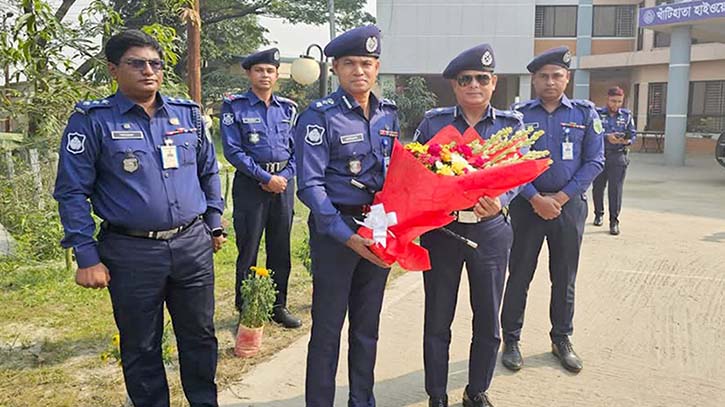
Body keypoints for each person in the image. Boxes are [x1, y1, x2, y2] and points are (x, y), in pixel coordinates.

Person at [53, 30, 225, 407]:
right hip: (130, 251)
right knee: (141, 343)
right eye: (137, 63)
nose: (149, 71)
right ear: (114, 70)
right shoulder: (92, 121)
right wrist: (86, 256)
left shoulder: (187, 115)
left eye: (156, 64)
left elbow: (209, 171)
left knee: (200, 337)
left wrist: (214, 220)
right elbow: (71, 191)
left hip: (191, 245)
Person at [294, 24, 399, 407]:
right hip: (336, 232)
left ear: (377, 67)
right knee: (327, 328)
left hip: (379, 229)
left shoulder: (389, 114)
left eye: (368, 63)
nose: (360, 71)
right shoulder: (319, 116)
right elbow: (310, 185)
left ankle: (362, 400)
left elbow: (396, 174)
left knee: (367, 327)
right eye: (351, 63)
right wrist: (345, 234)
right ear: (336, 68)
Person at [413, 44, 522, 407]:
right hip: (443, 232)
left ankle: (476, 390)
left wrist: (502, 201)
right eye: (465, 79)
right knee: (438, 318)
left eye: (482, 78)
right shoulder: (433, 122)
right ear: (454, 86)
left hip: (490, 232)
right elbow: (414, 171)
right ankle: (436, 394)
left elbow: (521, 175)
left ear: (494, 83)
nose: (474, 84)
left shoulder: (512, 125)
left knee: (488, 319)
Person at [500, 46, 604, 374]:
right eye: (543, 76)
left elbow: (594, 161)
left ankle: (561, 339)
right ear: (533, 80)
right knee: (519, 275)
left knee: (564, 277)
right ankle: (511, 339)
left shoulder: (585, 114)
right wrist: (534, 198)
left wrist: (559, 198)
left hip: (568, 208)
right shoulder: (518, 115)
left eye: (557, 75)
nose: (550, 81)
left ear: (567, 78)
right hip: (526, 207)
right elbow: (509, 161)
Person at [220, 48, 301, 328]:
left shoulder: (288, 108)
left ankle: (279, 305)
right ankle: (247, 309)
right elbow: (233, 150)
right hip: (251, 185)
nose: (265, 75)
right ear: (249, 73)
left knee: (281, 247)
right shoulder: (234, 106)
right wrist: (265, 178)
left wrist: (284, 177)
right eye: (259, 70)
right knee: (249, 248)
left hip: (282, 186)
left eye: (270, 70)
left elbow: (296, 150)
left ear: (277, 74)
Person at [592, 86, 636, 235]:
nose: (616, 104)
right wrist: (607, 137)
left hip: (618, 155)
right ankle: (598, 214)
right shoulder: (597, 114)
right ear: (607, 99)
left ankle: (614, 221)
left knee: (615, 190)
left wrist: (627, 141)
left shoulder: (627, 115)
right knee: (598, 187)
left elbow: (633, 134)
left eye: (619, 102)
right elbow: (592, 133)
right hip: (600, 155)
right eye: (613, 101)